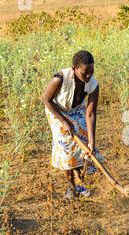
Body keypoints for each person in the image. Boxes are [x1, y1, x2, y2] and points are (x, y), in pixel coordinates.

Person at [43, 50, 104, 199]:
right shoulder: (60, 78)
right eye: (85, 73)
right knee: (66, 146)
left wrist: (91, 142)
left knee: (83, 140)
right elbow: (46, 99)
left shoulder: (93, 85)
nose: (88, 76)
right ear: (74, 69)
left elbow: (90, 114)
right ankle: (71, 187)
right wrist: (64, 121)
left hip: (76, 110)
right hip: (56, 110)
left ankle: (80, 182)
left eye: (91, 71)